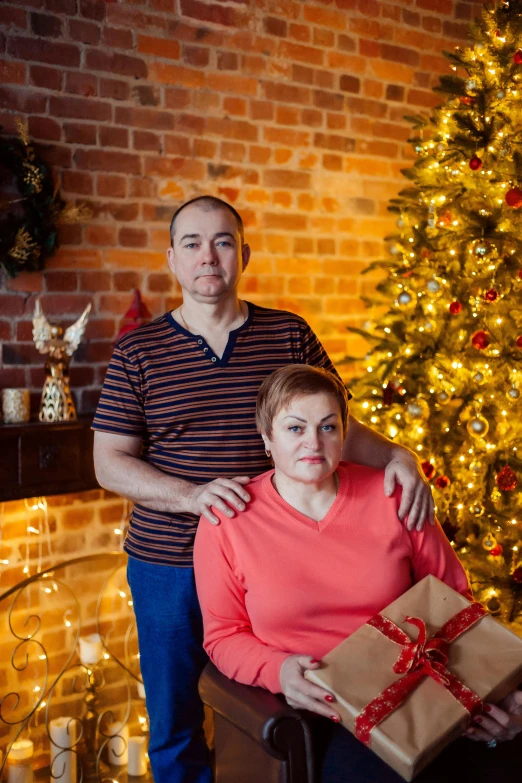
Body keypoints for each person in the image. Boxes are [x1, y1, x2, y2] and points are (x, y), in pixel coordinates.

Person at [92, 196, 435, 783]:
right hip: (168, 563)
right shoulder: (138, 351)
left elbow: (332, 427)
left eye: (223, 241)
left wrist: (398, 456)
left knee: (269, 714)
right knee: (176, 725)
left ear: (243, 255)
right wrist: (192, 497)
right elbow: (109, 463)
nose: (209, 256)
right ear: (172, 259)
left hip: (271, 561)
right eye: (193, 244)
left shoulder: (287, 333)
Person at [194, 364, 522, 783]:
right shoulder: (229, 522)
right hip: (329, 706)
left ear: (344, 434)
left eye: (328, 427)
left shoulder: (394, 495)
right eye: (295, 428)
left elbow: (456, 598)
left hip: (427, 682)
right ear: (266, 438)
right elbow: (223, 635)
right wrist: (278, 671)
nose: (313, 442)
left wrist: (499, 695)